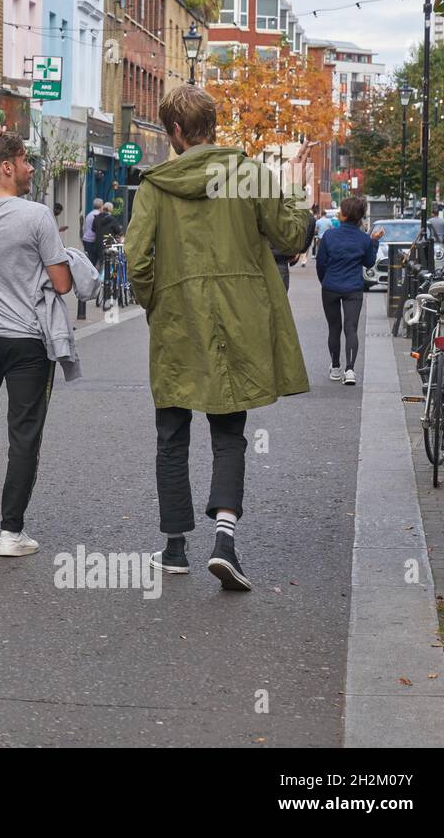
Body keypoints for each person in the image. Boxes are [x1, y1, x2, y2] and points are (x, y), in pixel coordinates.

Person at [126, 85, 310, 593]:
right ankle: (225, 540)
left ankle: (175, 546)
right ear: (214, 124)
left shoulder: (155, 186)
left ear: (177, 133)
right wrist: (302, 209)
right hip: (239, 319)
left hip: (178, 323)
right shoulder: (249, 174)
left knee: (172, 434)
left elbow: (138, 260)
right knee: (229, 432)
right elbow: (291, 237)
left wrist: (157, 304)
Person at [0, 127, 72, 558]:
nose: (29, 168)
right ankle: (11, 533)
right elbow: (61, 284)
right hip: (28, 341)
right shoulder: (37, 216)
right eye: (25, 161)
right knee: (24, 434)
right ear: (7, 167)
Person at [316, 196, 382, 386]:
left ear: (344, 215)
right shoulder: (363, 239)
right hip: (353, 287)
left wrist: (325, 281)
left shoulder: (329, 236)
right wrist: (374, 242)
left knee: (334, 328)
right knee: (351, 328)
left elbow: (321, 263)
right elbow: (369, 263)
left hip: (331, 286)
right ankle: (350, 370)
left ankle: (335, 368)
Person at [82, 198, 102, 266]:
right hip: (92, 240)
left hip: (86, 238)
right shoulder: (98, 215)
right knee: (93, 260)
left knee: (89, 259)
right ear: (101, 206)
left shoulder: (90, 214)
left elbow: (85, 227)